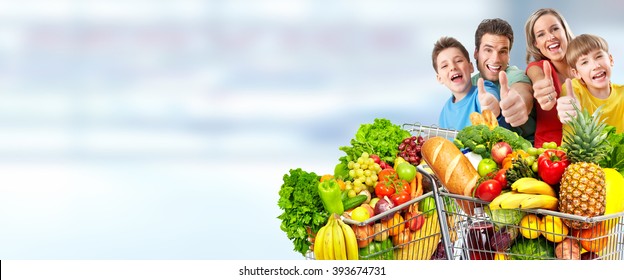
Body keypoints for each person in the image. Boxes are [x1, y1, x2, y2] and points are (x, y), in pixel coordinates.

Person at [472, 18, 535, 142]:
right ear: (476, 53)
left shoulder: (514, 76)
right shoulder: (469, 84)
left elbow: (522, 91)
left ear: (509, 56)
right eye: (488, 50)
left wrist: (520, 105)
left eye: (503, 51)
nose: (495, 59)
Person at [524, 8, 575, 147]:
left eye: (555, 29)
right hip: (548, 157)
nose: (550, 37)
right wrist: (541, 85)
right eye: (541, 35)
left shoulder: (584, 67)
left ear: (565, 30)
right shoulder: (538, 68)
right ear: (536, 44)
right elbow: (535, 73)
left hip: (584, 156)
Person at [432, 36, 503, 130]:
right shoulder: (445, 112)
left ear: (470, 67)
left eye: (458, 61)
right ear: (439, 78)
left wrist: (492, 105)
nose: (453, 67)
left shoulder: (483, 91)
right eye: (445, 66)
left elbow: (489, 97)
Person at [557, 34, 624, 132]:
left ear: (611, 60)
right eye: (584, 62)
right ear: (576, 73)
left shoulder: (622, 93)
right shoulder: (574, 88)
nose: (596, 66)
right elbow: (568, 102)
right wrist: (569, 109)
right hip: (576, 147)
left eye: (599, 56)